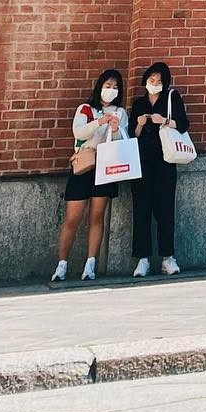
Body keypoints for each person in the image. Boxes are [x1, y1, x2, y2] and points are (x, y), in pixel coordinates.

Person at [51, 68, 127, 284]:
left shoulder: (120, 112)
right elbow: (79, 132)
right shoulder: (85, 109)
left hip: (106, 165)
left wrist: (115, 129)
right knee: (72, 218)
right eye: (107, 86)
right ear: (99, 87)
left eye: (115, 87)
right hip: (84, 164)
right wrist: (99, 122)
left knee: (97, 216)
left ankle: (90, 263)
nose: (111, 90)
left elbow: (123, 141)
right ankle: (62, 264)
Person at [128, 61, 189, 278]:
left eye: (159, 81)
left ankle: (167, 257)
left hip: (165, 161)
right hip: (142, 161)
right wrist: (140, 123)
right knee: (141, 209)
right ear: (146, 80)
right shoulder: (139, 104)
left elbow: (184, 124)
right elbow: (132, 134)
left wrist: (164, 121)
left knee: (165, 209)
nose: (154, 83)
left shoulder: (171, 98)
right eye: (151, 80)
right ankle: (142, 259)